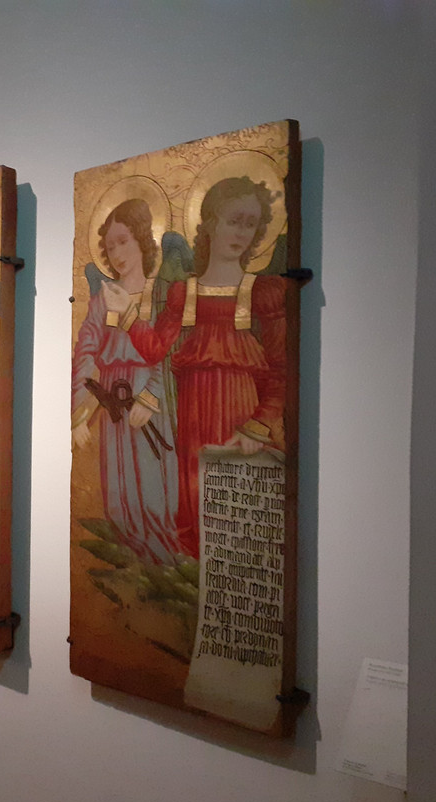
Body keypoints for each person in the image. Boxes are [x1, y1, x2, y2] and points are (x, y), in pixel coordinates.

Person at [127, 176, 286, 559]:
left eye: (250, 224)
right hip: (194, 410)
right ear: (211, 222)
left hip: (242, 413)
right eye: (234, 220)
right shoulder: (185, 293)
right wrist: (125, 315)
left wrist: (259, 425)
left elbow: (282, 368)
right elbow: (154, 349)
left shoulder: (262, 292)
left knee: (236, 508)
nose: (241, 232)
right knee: (194, 491)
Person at [72, 198, 181, 565]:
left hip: (150, 398)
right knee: (118, 498)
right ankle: (133, 564)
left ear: (142, 239)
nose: (117, 253)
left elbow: (167, 350)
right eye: (111, 246)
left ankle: (162, 563)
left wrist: (150, 396)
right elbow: (86, 350)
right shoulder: (101, 300)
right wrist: (79, 413)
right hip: (112, 403)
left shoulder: (159, 294)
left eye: (124, 241)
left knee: (154, 494)